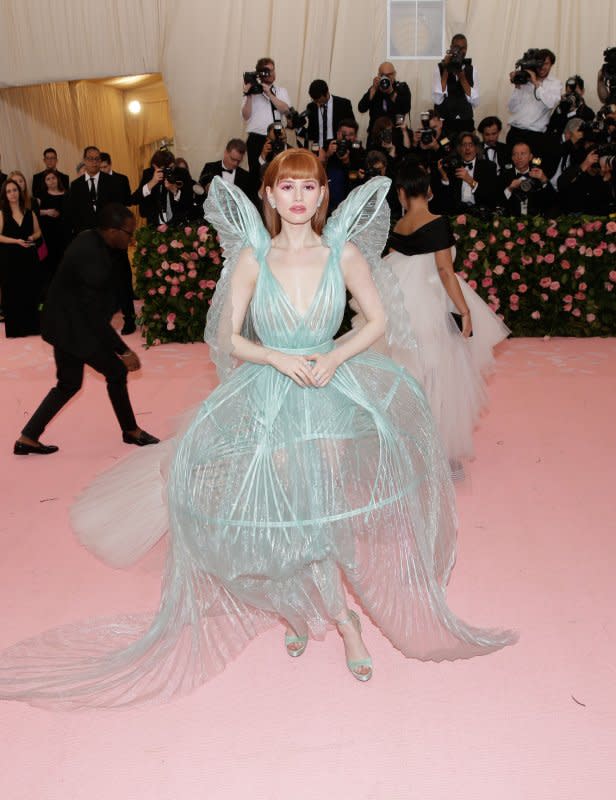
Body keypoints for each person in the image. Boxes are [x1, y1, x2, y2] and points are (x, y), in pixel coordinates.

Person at [0, 151, 514, 709]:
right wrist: (274, 357)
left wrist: (335, 357)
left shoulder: (341, 254)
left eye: (309, 187)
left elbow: (379, 321)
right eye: (286, 186)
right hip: (270, 392)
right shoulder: (253, 257)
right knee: (284, 508)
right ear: (268, 196)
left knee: (323, 501)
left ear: (323, 196)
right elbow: (228, 337)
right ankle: (304, 606)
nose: (298, 196)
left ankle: (344, 623)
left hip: (327, 391)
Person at [351, 159, 510, 475]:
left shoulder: (400, 225)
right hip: (430, 307)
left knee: (408, 375)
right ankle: (440, 451)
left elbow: (392, 262)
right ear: (429, 190)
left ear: (401, 193)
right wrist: (464, 310)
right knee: (438, 375)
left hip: (401, 308)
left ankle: (409, 446)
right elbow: (445, 271)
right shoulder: (437, 222)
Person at [13, 204, 159, 456]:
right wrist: (123, 351)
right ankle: (131, 431)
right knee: (115, 371)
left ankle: (28, 437)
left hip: (63, 322)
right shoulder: (96, 260)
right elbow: (93, 318)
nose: (131, 238)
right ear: (112, 231)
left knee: (68, 383)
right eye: (128, 233)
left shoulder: (89, 237)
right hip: (74, 327)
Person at [99, 152, 136, 333]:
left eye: (105, 166)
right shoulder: (93, 184)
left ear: (110, 164)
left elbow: (127, 204)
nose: (103, 170)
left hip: (119, 236)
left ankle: (129, 316)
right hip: (102, 237)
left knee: (123, 277)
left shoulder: (121, 180)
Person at [0, 178, 42, 338]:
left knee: (30, 290)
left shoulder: (29, 212)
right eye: (9, 191)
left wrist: (32, 236)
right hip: (10, 259)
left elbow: (39, 232)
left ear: (20, 192)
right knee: (13, 293)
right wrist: (16, 241)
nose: (12, 194)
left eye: (15, 190)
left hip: (28, 257)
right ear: (5, 194)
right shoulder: (2, 214)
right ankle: (16, 330)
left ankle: (32, 326)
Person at [507, 48, 561, 161]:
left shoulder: (555, 84)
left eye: (546, 63)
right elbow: (512, 107)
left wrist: (536, 83)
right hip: (515, 132)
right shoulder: (524, 81)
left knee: (534, 169)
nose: (542, 67)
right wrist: (517, 85)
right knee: (512, 169)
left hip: (535, 136)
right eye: (539, 63)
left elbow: (551, 103)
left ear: (551, 65)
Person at [242, 57, 291, 181]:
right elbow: (245, 116)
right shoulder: (253, 92)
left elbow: (286, 110)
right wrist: (248, 95)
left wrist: (269, 94)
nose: (271, 74)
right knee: (256, 175)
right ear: (259, 73)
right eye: (266, 71)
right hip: (256, 139)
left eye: (272, 70)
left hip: (277, 137)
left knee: (279, 173)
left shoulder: (281, 91)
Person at [435, 131, 501, 213]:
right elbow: (446, 200)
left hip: (481, 214)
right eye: (464, 145)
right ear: (459, 149)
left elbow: (491, 197)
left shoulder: (489, 167)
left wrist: (470, 181)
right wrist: (444, 177)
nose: (467, 148)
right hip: (457, 214)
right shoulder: (453, 166)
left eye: (470, 145)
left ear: (476, 148)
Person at [68, 146, 124, 237]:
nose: (94, 162)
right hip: (85, 235)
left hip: (108, 233)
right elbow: (73, 212)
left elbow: (117, 207)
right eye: (90, 159)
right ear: (84, 160)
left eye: (97, 159)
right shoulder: (75, 185)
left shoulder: (112, 181)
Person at [132, 148, 194, 227]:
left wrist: (175, 192)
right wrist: (152, 183)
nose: (167, 172)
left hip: (178, 225)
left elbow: (189, 203)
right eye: (163, 169)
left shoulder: (182, 173)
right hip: (154, 225)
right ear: (154, 166)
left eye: (171, 168)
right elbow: (134, 199)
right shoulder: (149, 174)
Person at [432, 34, 480, 136]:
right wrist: (446, 69)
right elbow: (437, 100)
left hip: (465, 122)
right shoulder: (440, 68)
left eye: (463, 48)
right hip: (446, 123)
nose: (460, 51)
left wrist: (462, 77)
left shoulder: (471, 69)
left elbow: (475, 102)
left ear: (466, 49)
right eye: (457, 48)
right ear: (451, 48)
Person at [357, 61, 411, 144]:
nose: (386, 78)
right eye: (382, 75)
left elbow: (405, 108)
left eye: (389, 75)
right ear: (378, 75)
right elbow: (361, 108)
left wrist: (391, 92)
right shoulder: (375, 89)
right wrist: (373, 89)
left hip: (395, 135)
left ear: (394, 74)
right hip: (375, 136)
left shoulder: (401, 88)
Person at [501, 141, 557, 217]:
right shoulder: (504, 176)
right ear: (512, 158)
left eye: (523, 153)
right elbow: (498, 202)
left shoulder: (538, 174)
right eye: (515, 154)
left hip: (535, 221)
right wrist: (509, 189)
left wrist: (544, 180)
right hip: (510, 221)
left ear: (530, 157)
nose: (519, 157)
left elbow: (552, 200)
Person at [37, 169, 69, 293]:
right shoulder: (42, 196)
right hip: (49, 235)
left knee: (65, 261)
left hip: (64, 233)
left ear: (58, 179)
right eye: (48, 179)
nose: (51, 181)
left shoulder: (67, 193)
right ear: (45, 182)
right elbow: (33, 213)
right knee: (51, 263)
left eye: (53, 178)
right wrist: (47, 212)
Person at [305, 79, 354, 149]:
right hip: (319, 150)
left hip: (338, 149)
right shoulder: (311, 107)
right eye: (315, 100)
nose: (317, 103)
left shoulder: (343, 104)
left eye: (319, 100)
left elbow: (352, 127)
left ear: (327, 93)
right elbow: (312, 132)